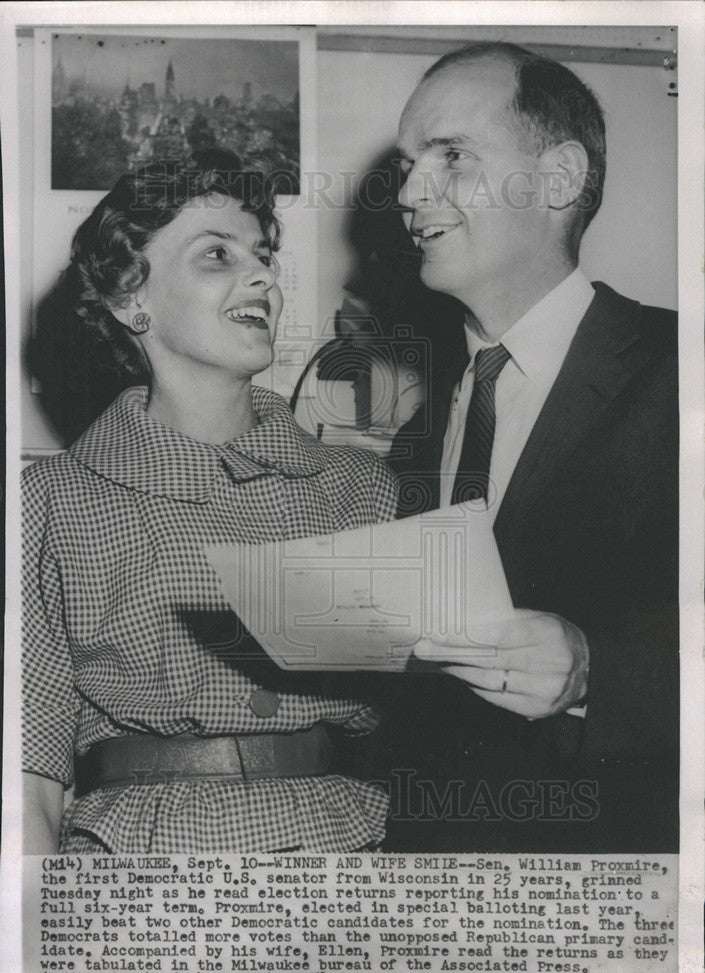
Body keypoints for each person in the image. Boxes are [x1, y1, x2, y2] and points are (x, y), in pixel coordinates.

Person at [22, 150, 398, 855]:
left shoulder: (362, 489)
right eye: (216, 255)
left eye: (262, 255)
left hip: (353, 849)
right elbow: (29, 777)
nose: (262, 275)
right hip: (139, 864)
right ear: (132, 298)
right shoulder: (48, 502)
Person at [379, 42, 678, 852]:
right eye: (408, 165)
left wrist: (595, 672)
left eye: (452, 157)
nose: (408, 194)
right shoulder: (414, 435)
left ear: (558, 179)